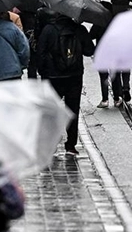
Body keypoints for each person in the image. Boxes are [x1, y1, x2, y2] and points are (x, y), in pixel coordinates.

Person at [36, 11, 95, 155]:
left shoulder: (48, 30)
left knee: (51, 111)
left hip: (52, 76)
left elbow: (40, 51)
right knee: (73, 110)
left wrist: (43, 71)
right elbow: (89, 51)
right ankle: (71, 145)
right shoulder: (79, 29)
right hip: (74, 75)